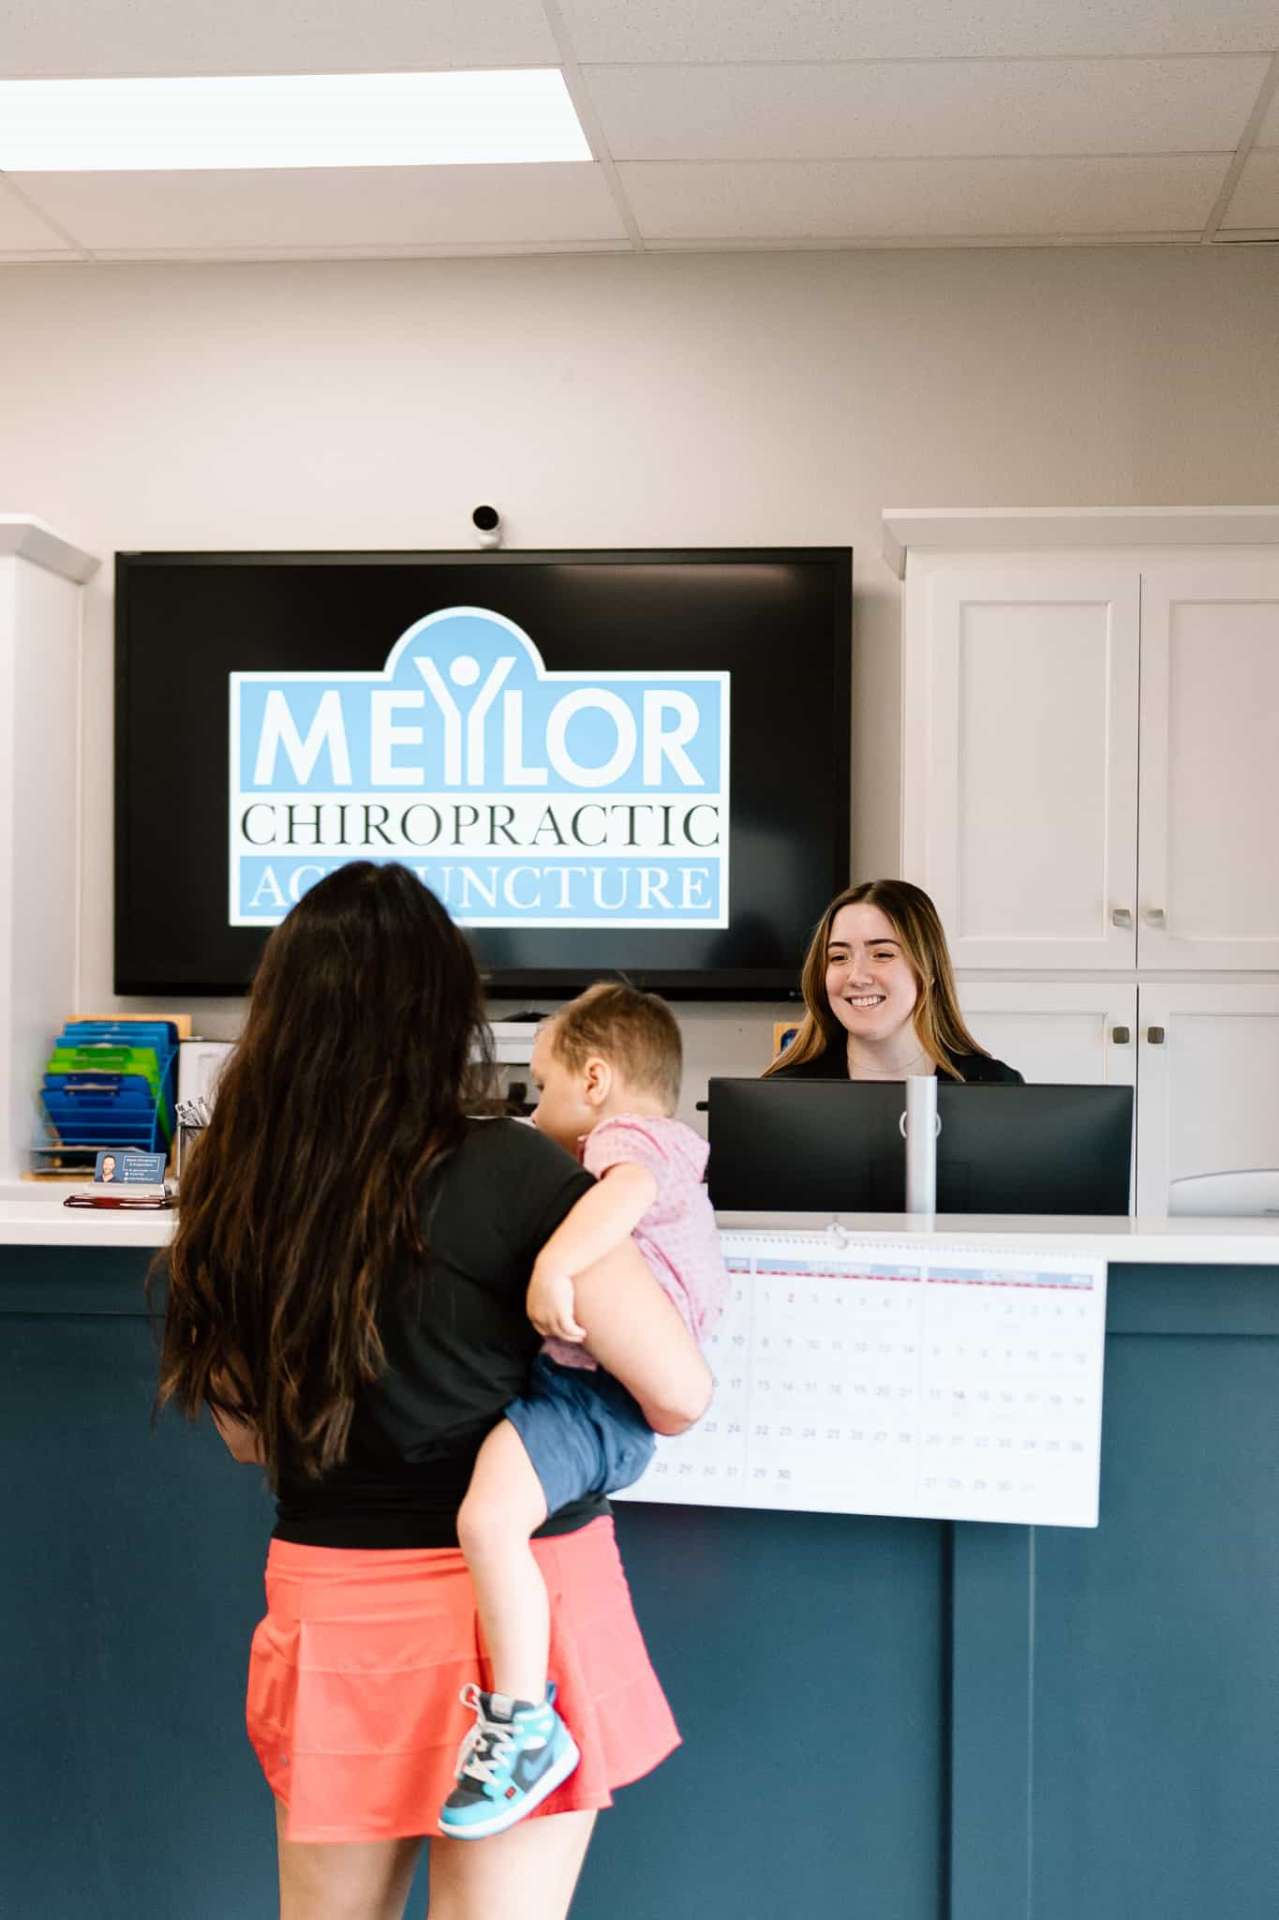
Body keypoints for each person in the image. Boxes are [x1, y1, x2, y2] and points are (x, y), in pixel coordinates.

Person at [153, 863, 711, 1920]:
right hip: (520, 1626)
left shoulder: (232, 1186)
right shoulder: (512, 1170)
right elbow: (678, 1391)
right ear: (444, 1012)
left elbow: (243, 1436)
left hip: (336, 1610)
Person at [444, 983, 726, 1841]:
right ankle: (520, 1717)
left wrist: (553, 1266)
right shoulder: (665, 1141)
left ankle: (523, 1725)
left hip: (593, 1400)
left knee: (488, 1522)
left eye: (541, 1088)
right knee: (490, 1518)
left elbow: (625, 1192)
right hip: (592, 1395)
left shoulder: (627, 1144)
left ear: (595, 1079)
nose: (534, 1116)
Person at [764, 878, 1022, 1083]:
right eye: (839, 957)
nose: (857, 977)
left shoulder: (995, 1085)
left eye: (882, 954)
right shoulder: (785, 1092)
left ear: (928, 970)